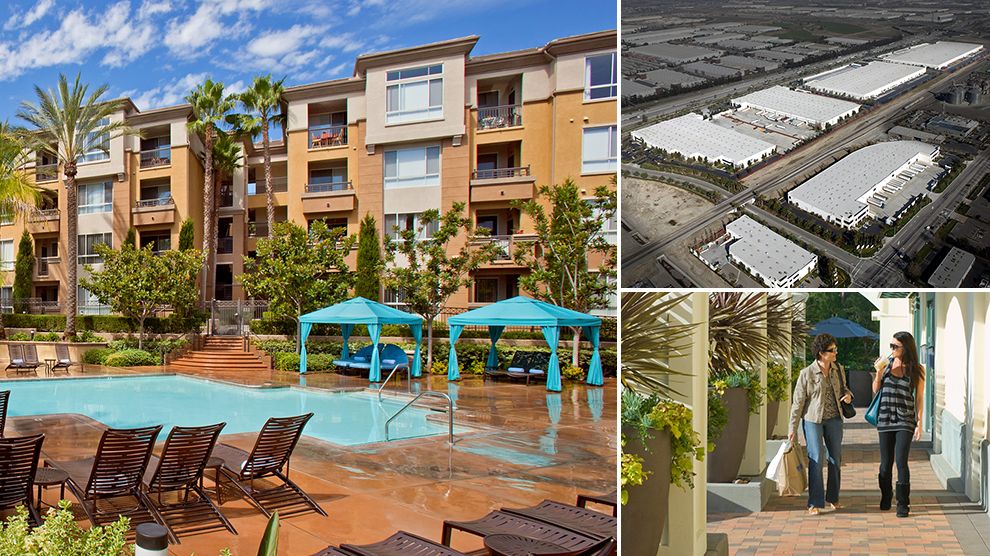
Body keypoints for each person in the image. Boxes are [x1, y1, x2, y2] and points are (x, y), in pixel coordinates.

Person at [789, 333, 853, 515]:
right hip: (812, 421)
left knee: (835, 459)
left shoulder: (838, 369)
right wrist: (791, 429)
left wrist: (849, 396)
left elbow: (845, 388)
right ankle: (814, 503)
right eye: (832, 351)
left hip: (834, 420)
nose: (835, 353)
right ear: (821, 353)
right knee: (816, 459)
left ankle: (833, 497)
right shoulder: (806, 373)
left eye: (835, 350)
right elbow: (797, 403)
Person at [873, 331, 925, 518]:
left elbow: (919, 398)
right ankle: (886, 496)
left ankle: (903, 504)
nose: (892, 349)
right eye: (891, 346)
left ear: (906, 348)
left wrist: (919, 423)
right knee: (885, 464)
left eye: (896, 347)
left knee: (901, 461)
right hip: (885, 418)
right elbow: (875, 390)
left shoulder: (917, 369)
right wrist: (878, 373)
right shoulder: (885, 365)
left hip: (905, 419)